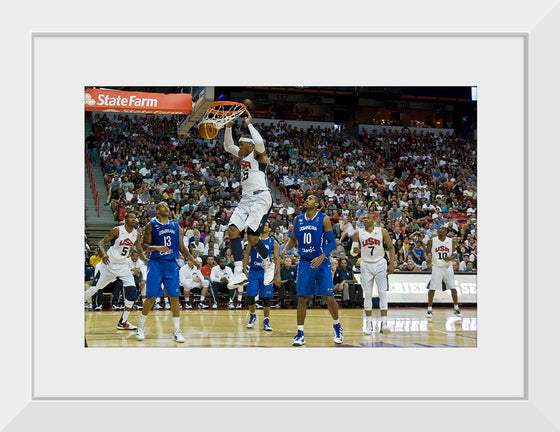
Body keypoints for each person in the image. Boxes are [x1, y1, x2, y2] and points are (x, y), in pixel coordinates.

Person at [281, 194, 343, 346]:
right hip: (305, 263)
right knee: (302, 298)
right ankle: (300, 333)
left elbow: (331, 243)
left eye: (310, 199)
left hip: (322, 263)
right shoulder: (298, 219)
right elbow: (294, 239)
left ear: (317, 204)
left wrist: (322, 256)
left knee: (328, 297)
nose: (306, 200)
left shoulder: (324, 219)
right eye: (306, 199)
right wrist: (285, 249)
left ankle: (337, 326)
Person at [223, 113, 275, 290]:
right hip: (246, 198)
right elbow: (227, 145)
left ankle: (269, 264)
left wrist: (250, 125)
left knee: (252, 235)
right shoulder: (244, 156)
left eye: (242, 144)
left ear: (250, 144)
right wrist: (228, 127)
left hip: (261, 196)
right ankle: (239, 272)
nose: (239, 147)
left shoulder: (258, 155)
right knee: (233, 230)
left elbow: (260, 143)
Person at [135, 202, 200, 343]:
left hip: (171, 264)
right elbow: (145, 247)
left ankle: (177, 330)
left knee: (175, 296)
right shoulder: (151, 225)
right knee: (151, 297)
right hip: (156, 263)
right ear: (157, 211)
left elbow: (182, 248)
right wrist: (158, 247)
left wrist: (192, 260)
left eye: (167, 206)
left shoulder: (176, 226)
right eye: (163, 206)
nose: (167, 208)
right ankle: (140, 326)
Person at [84, 213, 146, 330]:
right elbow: (101, 242)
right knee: (93, 289)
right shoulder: (117, 230)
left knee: (132, 293)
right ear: (125, 219)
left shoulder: (136, 234)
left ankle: (123, 322)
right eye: (131, 217)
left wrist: (146, 260)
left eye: (135, 218)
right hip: (108, 265)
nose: (134, 219)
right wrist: (103, 254)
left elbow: (139, 250)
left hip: (123, 266)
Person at [351, 212, 396, 334]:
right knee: (368, 294)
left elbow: (391, 248)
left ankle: (384, 323)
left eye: (368, 218)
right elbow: (353, 253)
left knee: (382, 292)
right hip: (366, 264)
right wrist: (355, 251)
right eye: (364, 218)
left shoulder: (382, 231)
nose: (365, 219)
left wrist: (391, 264)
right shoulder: (357, 233)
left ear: (374, 220)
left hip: (380, 263)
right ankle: (369, 324)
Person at [242, 221, 281, 331]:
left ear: (269, 229)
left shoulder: (273, 242)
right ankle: (253, 315)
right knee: (250, 296)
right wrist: (244, 268)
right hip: (254, 270)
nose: (264, 226)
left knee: (266, 298)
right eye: (263, 225)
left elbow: (277, 259)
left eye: (266, 225)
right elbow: (247, 253)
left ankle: (266, 320)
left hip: (266, 271)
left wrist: (277, 274)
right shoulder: (253, 239)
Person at [424, 226, 462, 319]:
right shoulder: (433, 241)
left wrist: (451, 257)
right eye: (439, 229)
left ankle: (456, 308)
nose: (440, 231)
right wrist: (427, 259)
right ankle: (429, 309)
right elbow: (426, 251)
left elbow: (455, 253)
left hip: (447, 267)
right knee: (432, 288)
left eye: (442, 229)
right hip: (437, 267)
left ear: (446, 231)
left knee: (453, 287)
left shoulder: (450, 241)